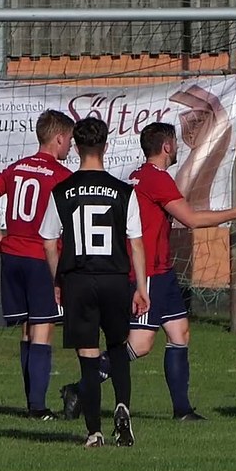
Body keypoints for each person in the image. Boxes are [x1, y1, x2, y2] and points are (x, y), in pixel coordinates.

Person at [59, 122, 236, 421]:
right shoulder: (156, 178)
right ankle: (80, 388)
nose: (177, 148)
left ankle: (182, 410)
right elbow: (190, 219)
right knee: (140, 345)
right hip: (149, 272)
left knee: (179, 332)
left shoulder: (139, 175)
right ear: (167, 146)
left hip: (162, 271)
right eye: (175, 143)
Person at [37, 117, 149, 448]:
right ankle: (123, 409)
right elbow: (137, 242)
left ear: (75, 147)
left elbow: (47, 241)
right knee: (116, 348)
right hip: (115, 278)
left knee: (87, 354)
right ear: (106, 147)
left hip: (80, 279)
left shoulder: (62, 191)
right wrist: (141, 287)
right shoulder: (124, 191)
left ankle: (93, 432)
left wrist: (59, 279)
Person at [0, 110, 74, 421]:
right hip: (40, 257)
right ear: (58, 138)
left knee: (28, 330)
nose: (69, 147)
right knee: (43, 330)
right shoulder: (61, 176)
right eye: (68, 140)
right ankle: (38, 408)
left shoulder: (18, 168)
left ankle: (32, 402)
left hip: (12, 254)